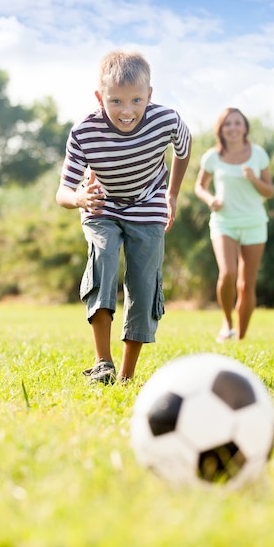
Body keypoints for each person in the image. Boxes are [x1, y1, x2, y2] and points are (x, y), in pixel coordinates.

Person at [56, 50, 192, 384]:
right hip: (101, 204)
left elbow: (184, 150)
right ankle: (103, 362)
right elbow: (62, 192)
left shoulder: (168, 120)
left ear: (150, 95)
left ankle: (127, 376)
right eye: (115, 101)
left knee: (143, 284)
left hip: (148, 204)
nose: (127, 111)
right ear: (99, 97)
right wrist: (79, 197)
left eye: (136, 100)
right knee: (103, 259)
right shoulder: (84, 132)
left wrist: (171, 194)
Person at [195, 108, 274, 343]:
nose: (233, 128)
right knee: (228, 272)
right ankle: (227, 323)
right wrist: (211, 200)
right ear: (221, 129)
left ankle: (240, 336)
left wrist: (254, 178)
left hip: (254, 222)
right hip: (224, 222)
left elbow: (269, 191)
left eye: (237, 123)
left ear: (245, 127)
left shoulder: (258, 154)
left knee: (246, 284)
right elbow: (200, 186)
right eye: (227, 124)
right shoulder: (212, 156)